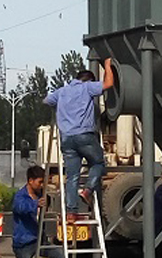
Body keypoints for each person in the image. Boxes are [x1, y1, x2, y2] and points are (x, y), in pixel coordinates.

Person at [44, 58, 114, 221]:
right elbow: (108, 84)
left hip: (66, 139)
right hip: (84, 135)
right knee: (98, 163)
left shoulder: (62, 91)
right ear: (89, 80)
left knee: (72, 176)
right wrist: (107, 65)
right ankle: (88, 190)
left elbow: (46, 100)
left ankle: (71, 212)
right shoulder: (87, 87)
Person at [12, 165, 51, 258]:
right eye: (40, 182)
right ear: (30, 181)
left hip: (40, 240)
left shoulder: (42, 195)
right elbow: (21, 208)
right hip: (24, 244)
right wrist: (36, 204)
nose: (42, 185)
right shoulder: (20, 196)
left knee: (59, 254)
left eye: (43, 182)